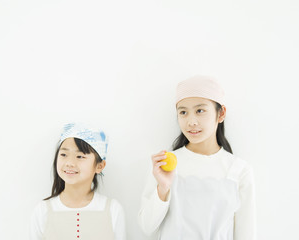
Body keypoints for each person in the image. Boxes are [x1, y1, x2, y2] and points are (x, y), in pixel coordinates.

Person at [138, 76, 256, 240]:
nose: (191, 121)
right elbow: (147, 227)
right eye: (183, 112)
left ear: (221, 113)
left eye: (200, 110)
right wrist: (163, 188)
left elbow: (246, 234)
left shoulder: (238, 170)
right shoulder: (165, 165)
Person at [30, 122, 126, 240]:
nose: (69, 163)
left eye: (80, 156)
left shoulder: (113, 209)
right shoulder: (42, 210)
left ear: (99, 166)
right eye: (64, 154)